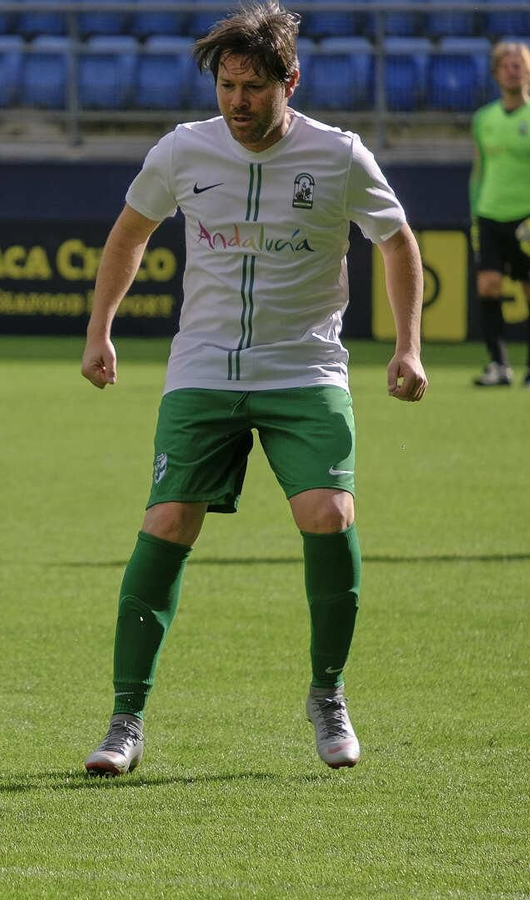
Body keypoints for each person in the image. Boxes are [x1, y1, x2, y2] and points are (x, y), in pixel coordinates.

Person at [78, 2, 427, 777]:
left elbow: (398, 243)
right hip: (202, 368)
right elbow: (128, 235)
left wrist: (408, 345)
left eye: (253, 88)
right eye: (227, 86)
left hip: (305, 367)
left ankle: (328, 695)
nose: (236, 102)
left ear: (288, 82)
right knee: (168, 521)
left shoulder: (339, 156)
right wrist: (100, 328)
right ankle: (124, 719)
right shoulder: (182, 151)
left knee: (329, 514)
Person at [470, 42, 530, 392]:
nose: (514, 70)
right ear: (496, 73)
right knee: (488, 286)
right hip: (490, 215)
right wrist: (475, 218)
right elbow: (478, 172)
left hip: (528, 217)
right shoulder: (483, 119)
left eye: (520, 65)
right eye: (507, 65)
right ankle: (498, 365)